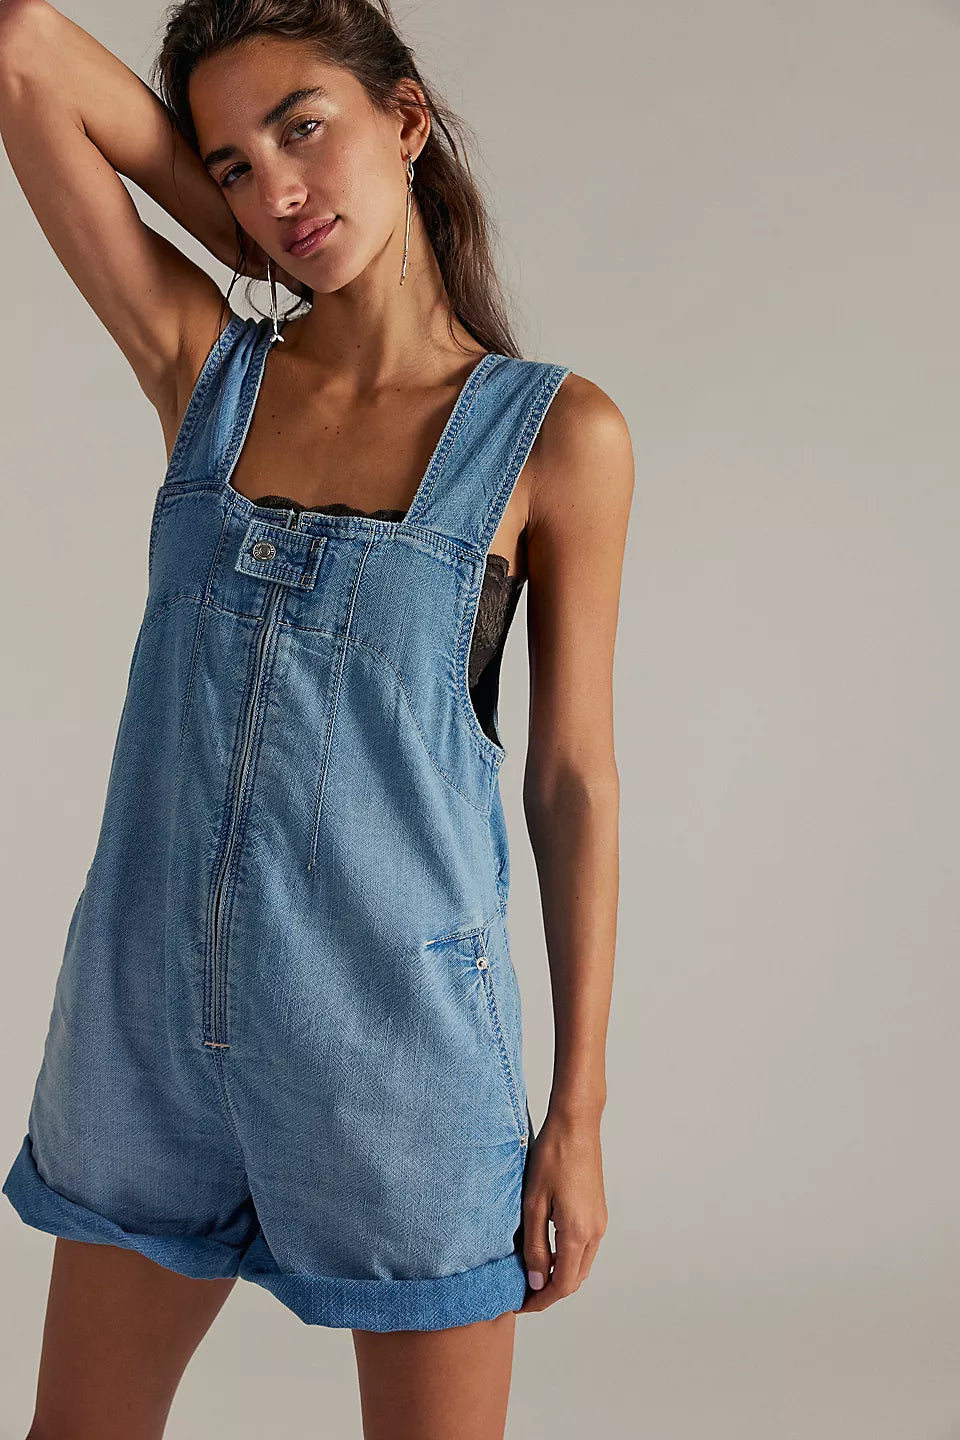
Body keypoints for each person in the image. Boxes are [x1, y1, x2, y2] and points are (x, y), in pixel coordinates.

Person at [0, 0, 634, 1435]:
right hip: (142, 1033)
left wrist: (578, 1118)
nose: (277, 186)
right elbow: (22, 48)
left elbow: (574, 783)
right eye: (230, 163)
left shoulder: (556, 438)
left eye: (306, 127)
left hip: (398, 1058)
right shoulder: (204, 373)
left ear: (408, 121)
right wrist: (248, 237)